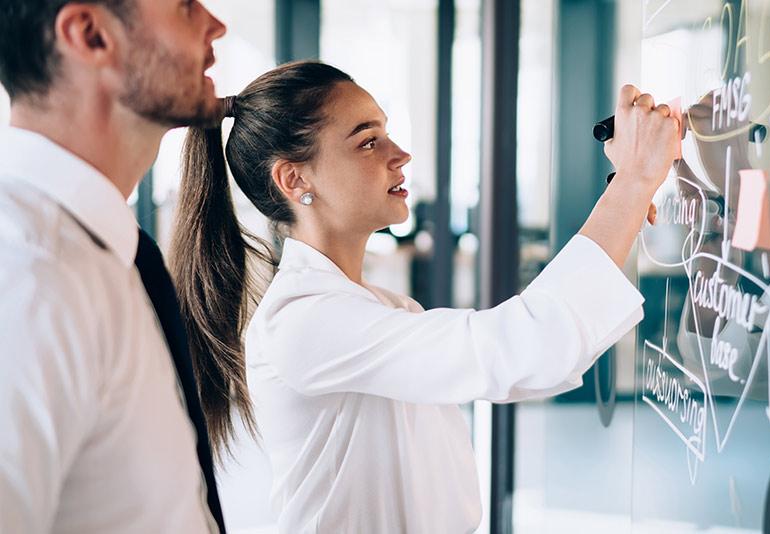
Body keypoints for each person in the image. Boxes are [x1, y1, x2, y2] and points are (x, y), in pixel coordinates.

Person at [169, 61, 680, 533]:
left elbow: (528, 362)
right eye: (368, 142)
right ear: (294, 178)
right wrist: (631, 185)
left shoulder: (383, 308)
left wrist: (627, 206)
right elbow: (523, 346)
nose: (400, 155)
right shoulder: (305, 321)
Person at [0, 1, 229, 532]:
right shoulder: (28, 270)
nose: (215, 24)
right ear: (90, 35)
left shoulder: (102, 254)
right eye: (185, 7)